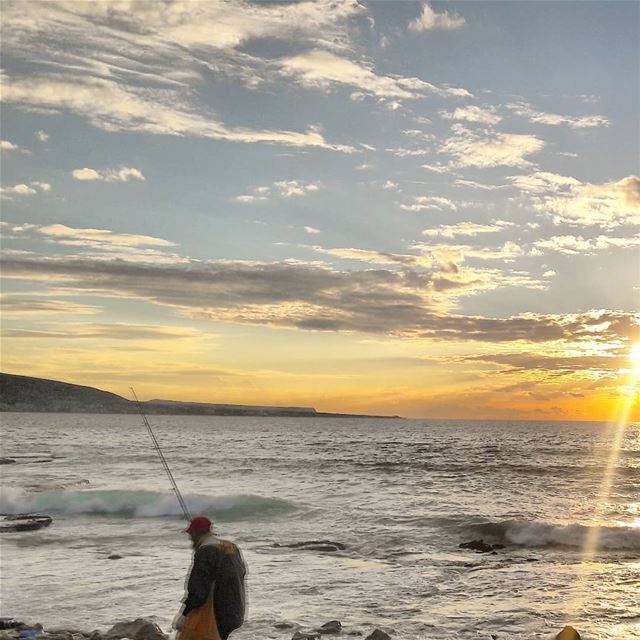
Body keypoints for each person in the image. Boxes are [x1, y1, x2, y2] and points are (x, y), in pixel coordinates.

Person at [174, 516, 247, 640]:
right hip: (236, 610)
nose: (191, 539)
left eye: (191, 535)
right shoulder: (231, 547)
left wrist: (184, 615)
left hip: (216, 612)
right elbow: (243, 572)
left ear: (196, 533)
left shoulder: (206, 552)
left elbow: (197, 591)